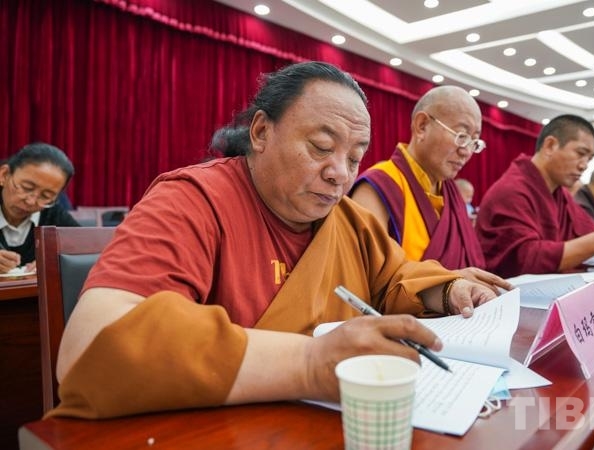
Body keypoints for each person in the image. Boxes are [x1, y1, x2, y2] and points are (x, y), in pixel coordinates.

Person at [52, 61, 497, 419]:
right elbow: (90, 343)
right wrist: (309, 363)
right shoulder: (194, 201)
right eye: (321, 147)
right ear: (262, 132)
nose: (339, 173)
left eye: (355, 158)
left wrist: (448, 291)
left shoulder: (350, 220)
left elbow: (397, 277)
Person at [349, 86, 508, 291]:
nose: (466, 151)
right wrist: (448, 282)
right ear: (422, 126)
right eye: (461, 136)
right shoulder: (380, 187)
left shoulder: (451, 195)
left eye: (474, 142)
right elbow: (366, 277)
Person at [476, 114, 594, 277]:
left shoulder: (559, 194)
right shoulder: (512, 190)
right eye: (580, 154)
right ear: (550, 145)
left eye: (589, 159)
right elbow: (525, 260)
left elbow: (587, 233)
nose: (584, 166)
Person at [0, 143, 79, 273]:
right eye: (26, 188)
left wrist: (56, 262)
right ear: (4, 175)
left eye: (46, 196)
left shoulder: (53, 213)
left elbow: (87, 250)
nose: (31, 202)